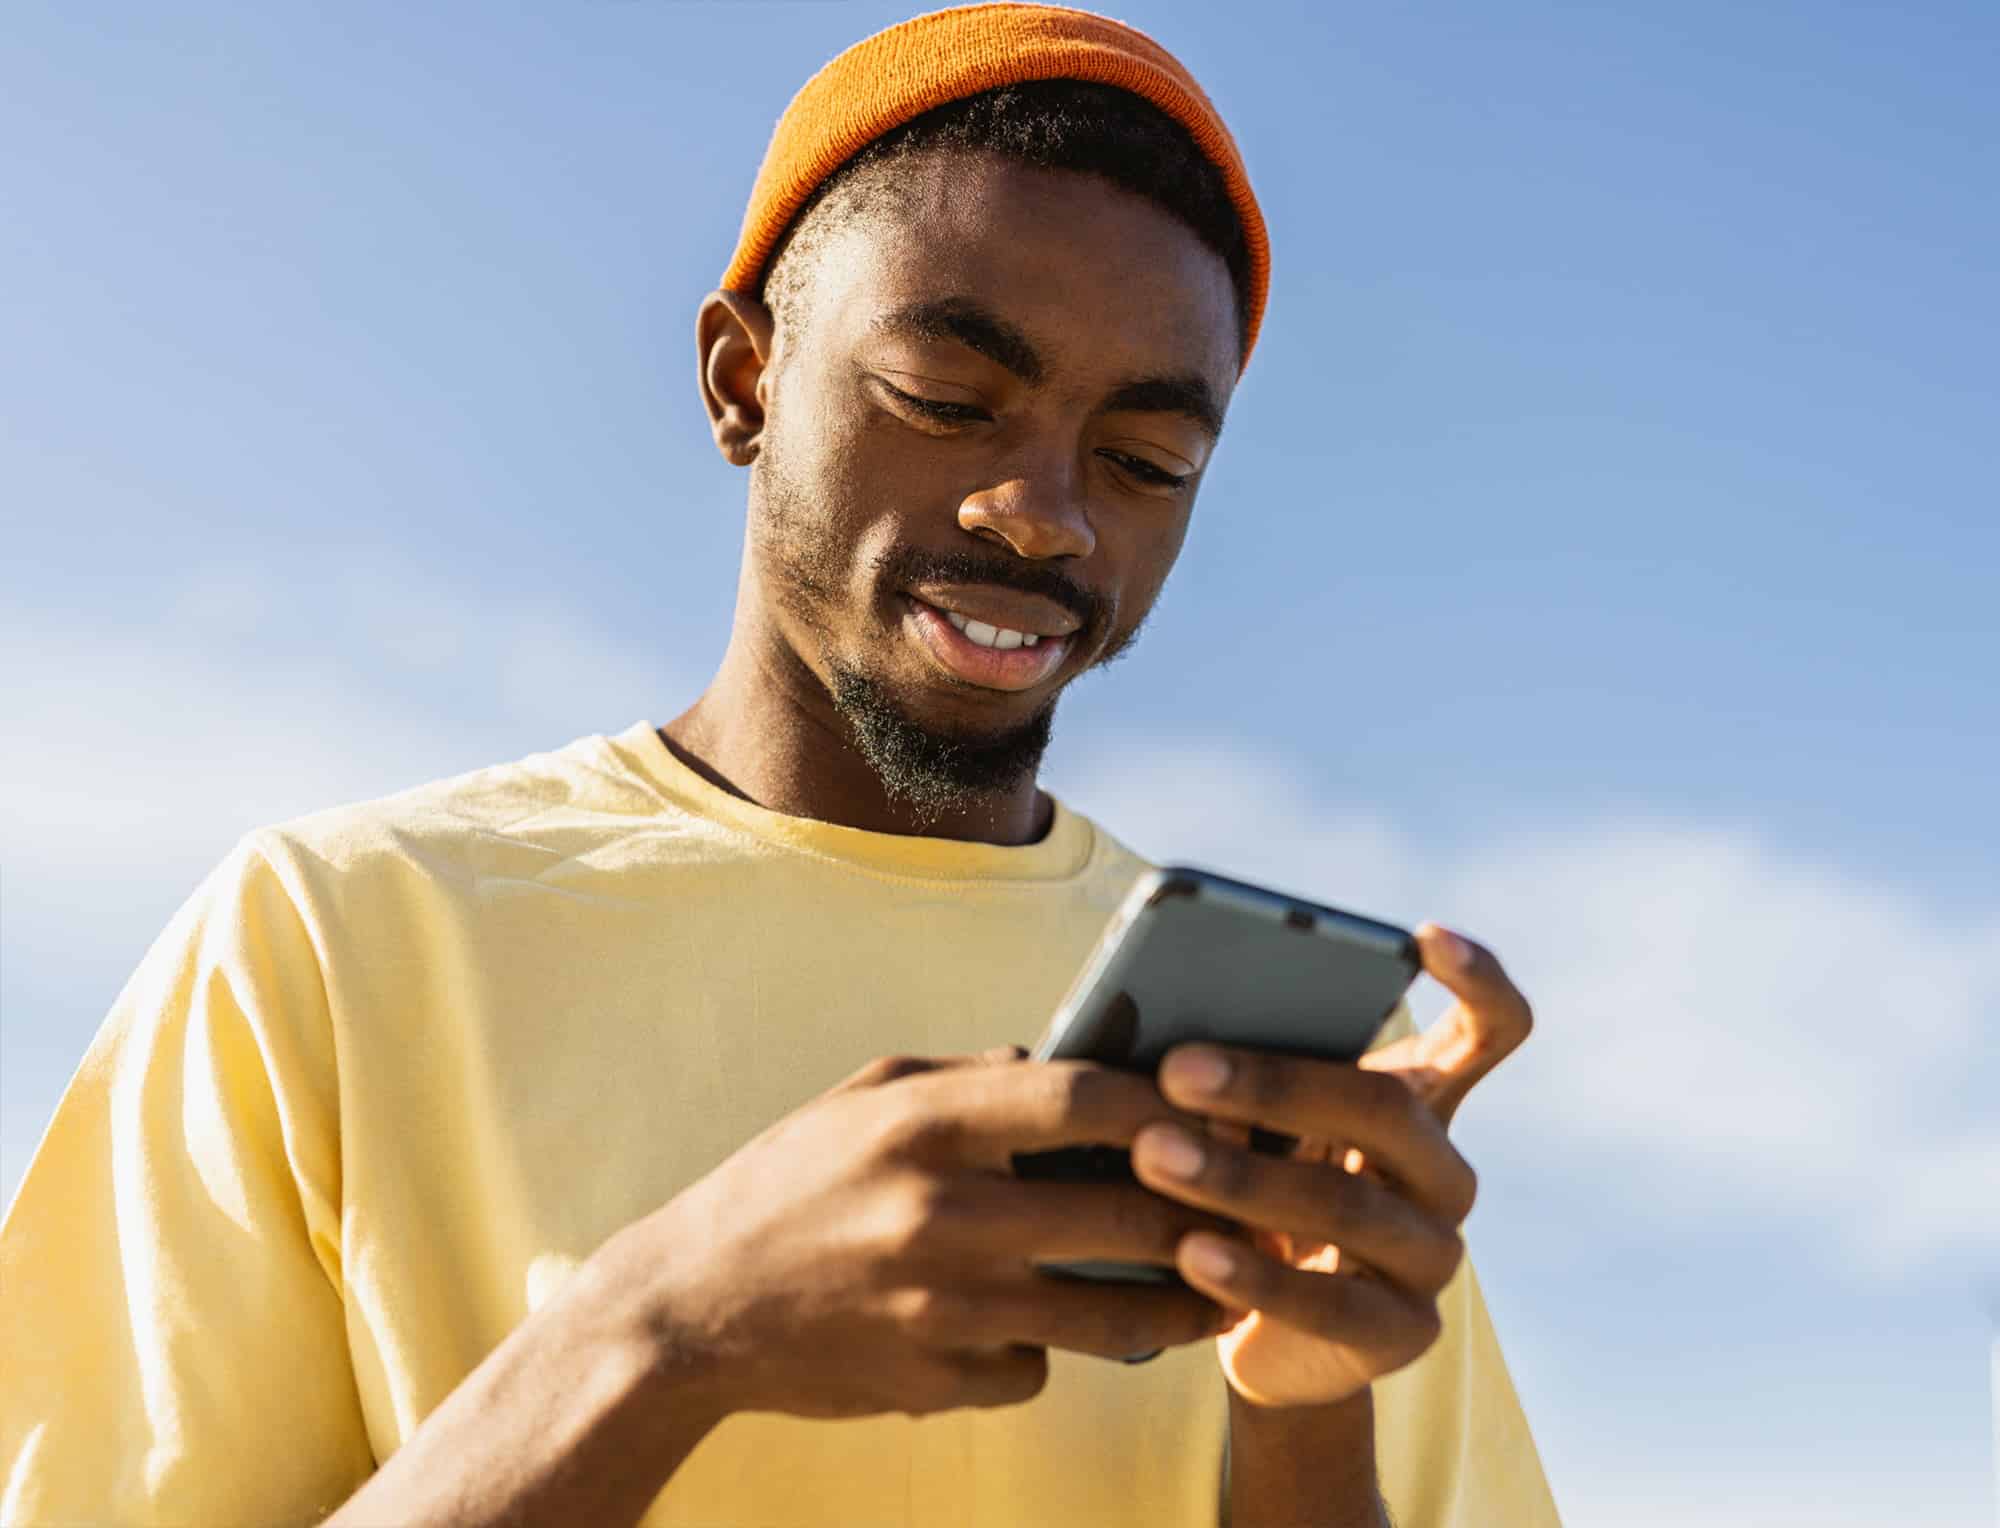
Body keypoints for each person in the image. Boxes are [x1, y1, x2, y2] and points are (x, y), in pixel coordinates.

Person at [0, 5, 1561, 1525]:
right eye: (948, 402)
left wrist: (1307, 1410)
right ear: (744, 381)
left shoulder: (1303, 1101)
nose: (1047, 511)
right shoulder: (336, 936)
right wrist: (665, 1332)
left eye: (1146, 461)